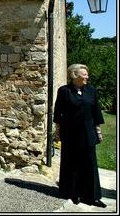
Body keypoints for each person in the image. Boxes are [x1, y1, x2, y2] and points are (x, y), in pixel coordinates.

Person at [53, 64, 106, 208]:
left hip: (88, 133)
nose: (87, 77)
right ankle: (72, 193)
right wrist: (58, 131)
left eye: (87, 74)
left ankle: (92, 196)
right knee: (72, 165)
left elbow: (96, 112)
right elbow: (58, 113)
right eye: (84, 74)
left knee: (90, 165)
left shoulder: (91, 90)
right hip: (71, 134)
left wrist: (98, 130)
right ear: (75, 76)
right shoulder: (64, 91)